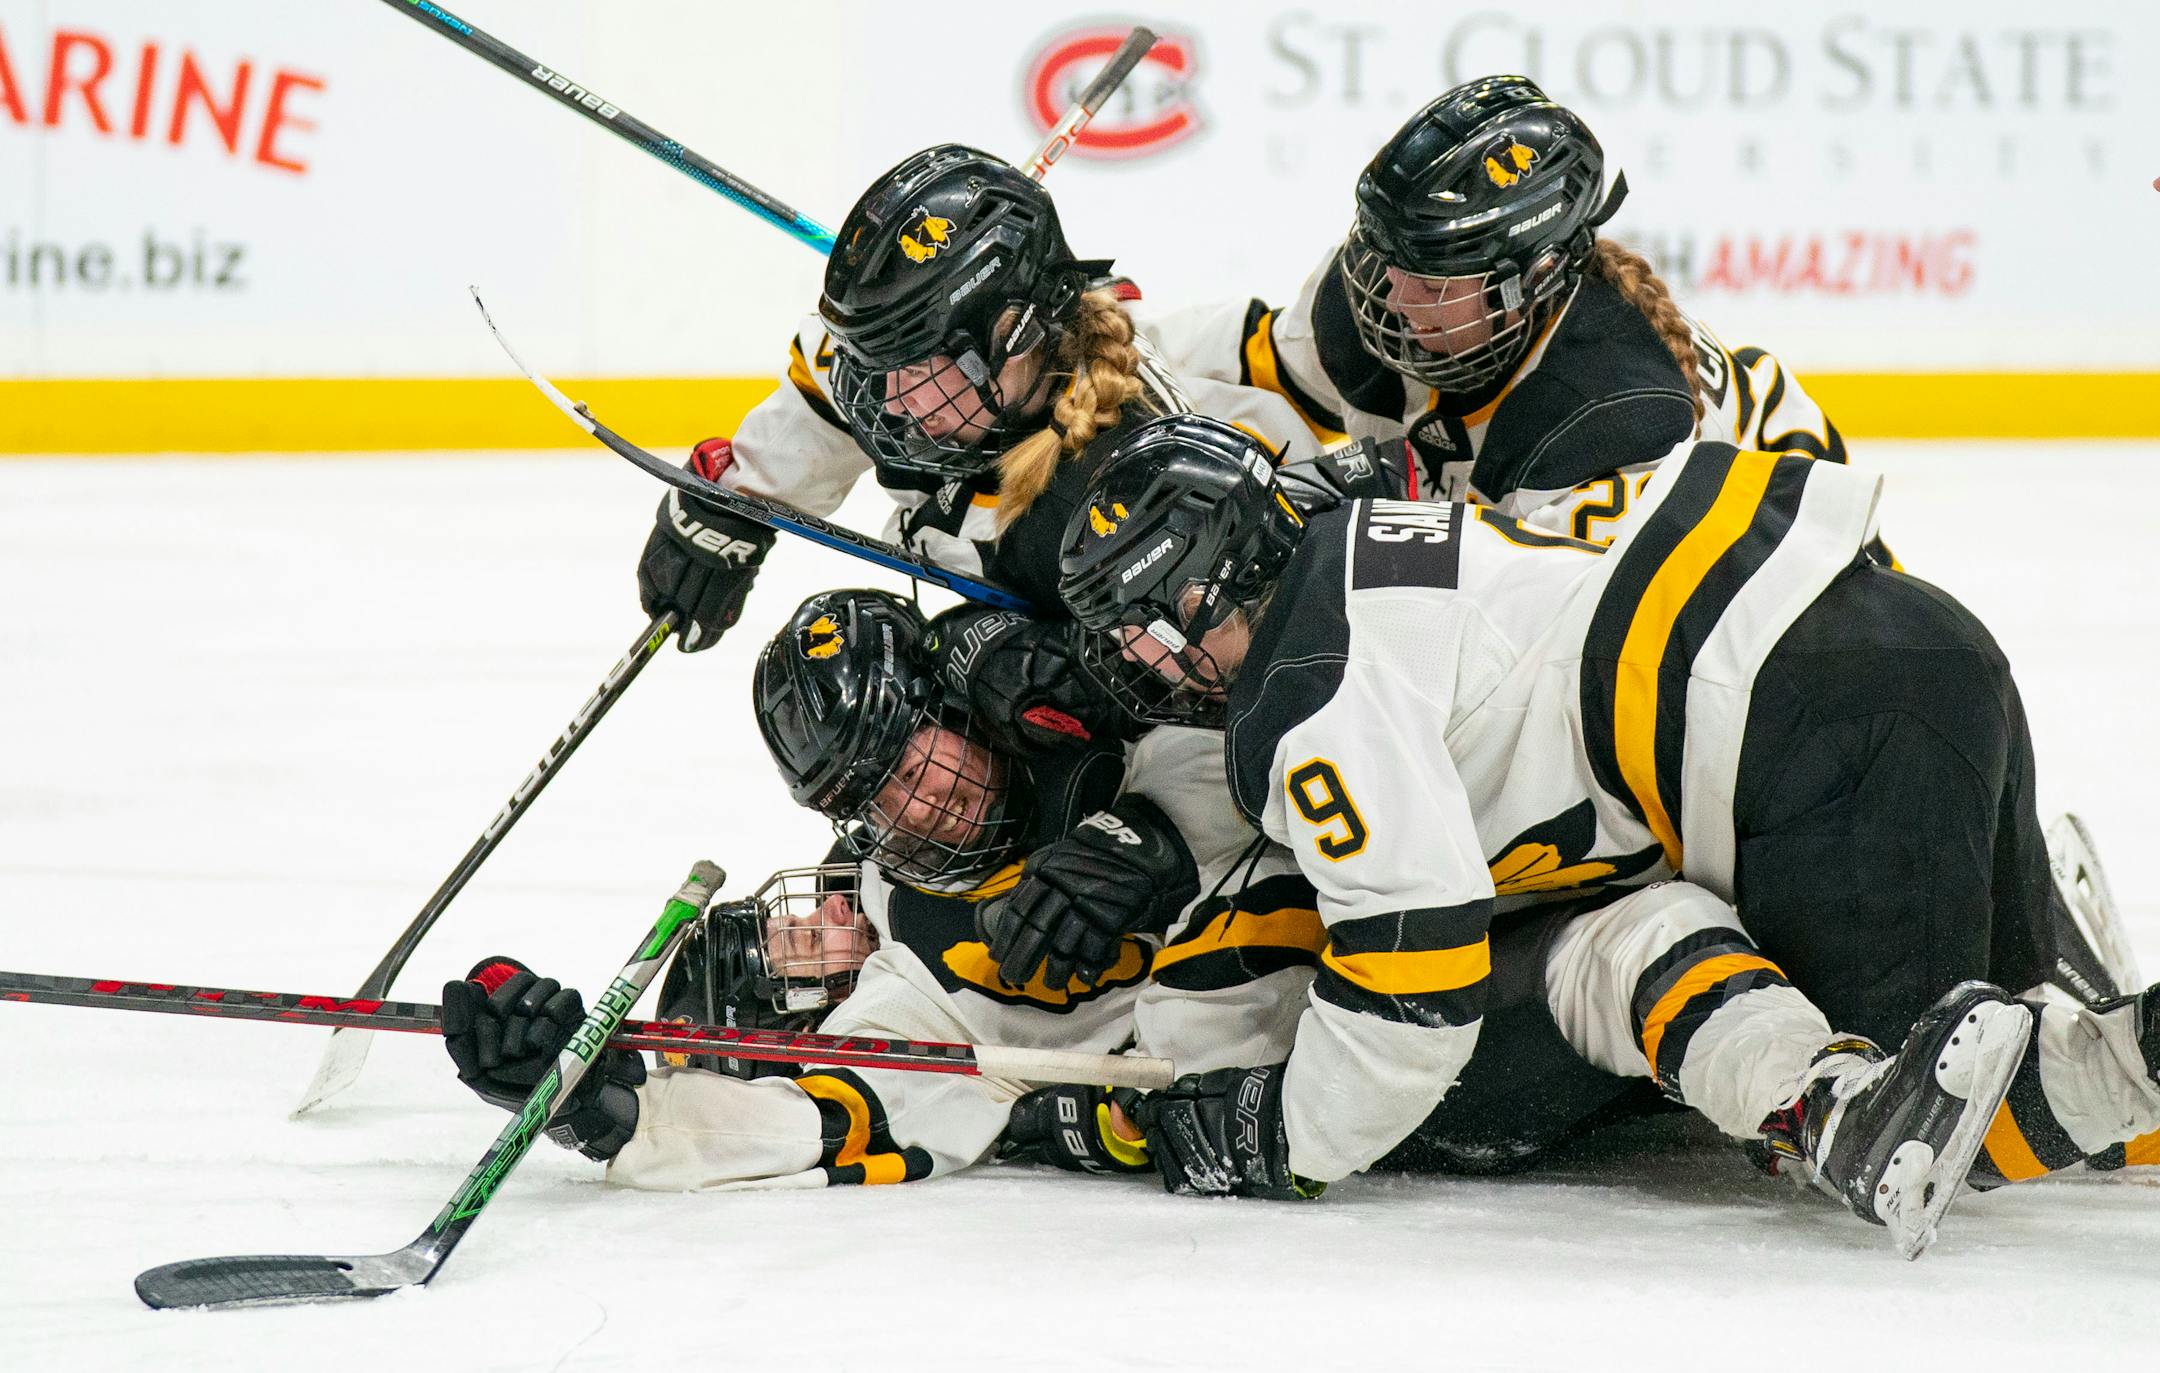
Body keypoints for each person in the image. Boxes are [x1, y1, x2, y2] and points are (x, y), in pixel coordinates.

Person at [1050, 413, 2160, 1236]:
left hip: (1812, 745)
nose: (1142, 667)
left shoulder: (1314, 688)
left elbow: (1413, 976)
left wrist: (1290, 1133)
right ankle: (2097, 998)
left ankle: (2107, 1065)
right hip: (1918, 637)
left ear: (1199, 595)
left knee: (1906, 1130)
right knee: (1985, 1041)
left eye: (1142, 633)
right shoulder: (1365, 534)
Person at [437, 588, 1319, 1189]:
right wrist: (607, 1109)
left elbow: (1259, 702)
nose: (918, 798)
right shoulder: (916, 957)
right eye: (876, 792)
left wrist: (1153, 833)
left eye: (914, 750)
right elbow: (819, 1118)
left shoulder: (1067, 698)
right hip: (1337, 1037)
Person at [630, 142, 1357, 668]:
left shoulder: (1108, 509)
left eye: (919, 364)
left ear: (1019, 335)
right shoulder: (946, 394)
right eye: (878, 363)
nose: (889, 401)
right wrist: (742, 495)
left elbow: (1205, 708)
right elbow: (831, 367)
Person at [1137, 74, 1847, 547]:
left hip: (1771, 606)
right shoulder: (1380, 291)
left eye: (1435, 281)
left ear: (1529, 282)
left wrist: (1335, 530)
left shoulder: (1612, 419)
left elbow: (1535, 655)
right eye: (1383, 254)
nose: (1391, 295)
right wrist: (1102, 346)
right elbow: (1255, 367)